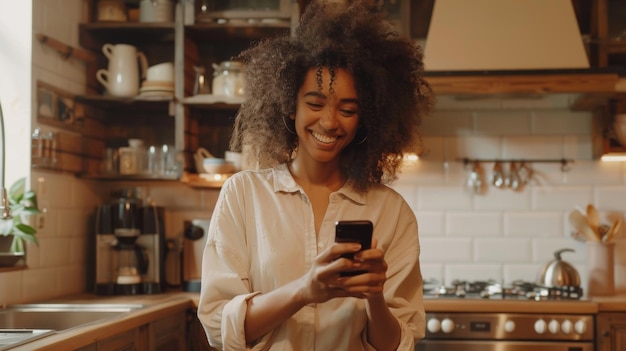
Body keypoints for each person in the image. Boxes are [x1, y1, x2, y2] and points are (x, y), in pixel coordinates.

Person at [197, 1, 434, 350]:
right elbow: (220, 328)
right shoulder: (244, 195)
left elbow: (398, 345)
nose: (329, 122)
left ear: (365, 119)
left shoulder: (391, 212)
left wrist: (374, 297)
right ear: (290, 106)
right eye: (315, 103)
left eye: (348, 109)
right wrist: (305, 290)